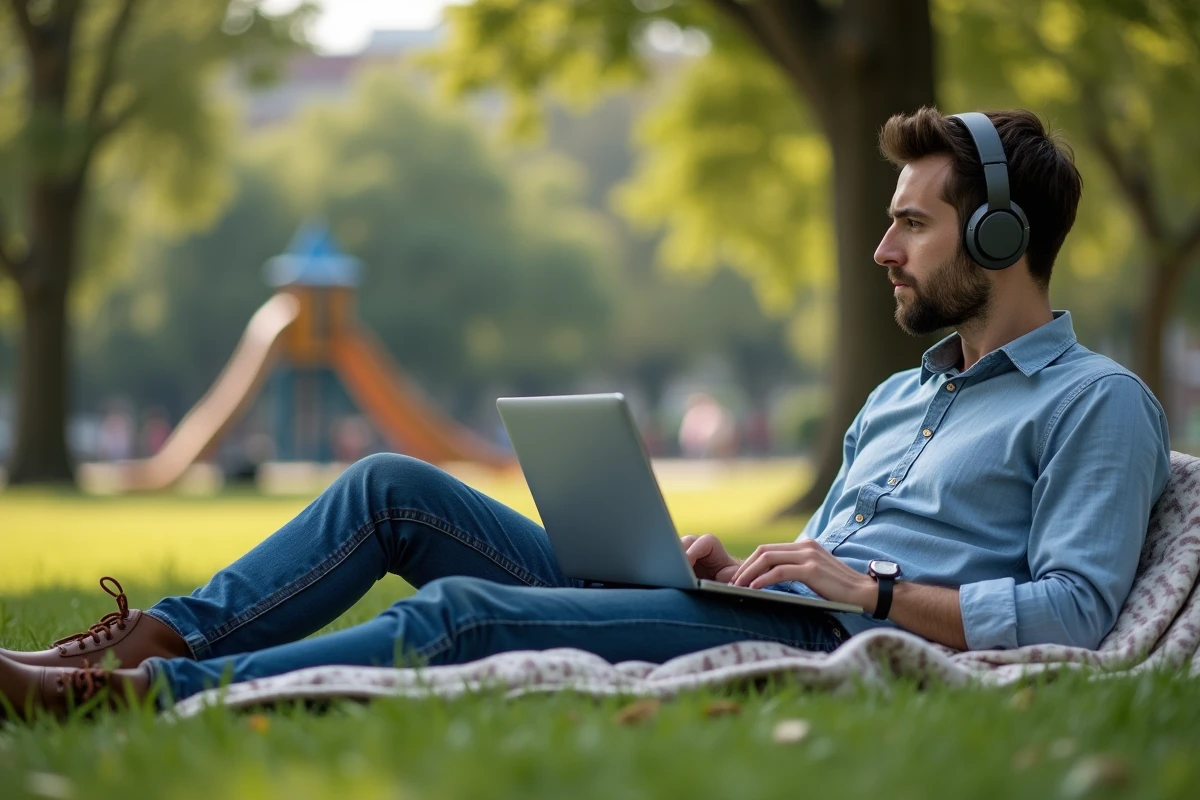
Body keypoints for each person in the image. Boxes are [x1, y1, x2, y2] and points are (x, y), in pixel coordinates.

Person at [0, 108, 1171, 720]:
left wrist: (858, 590)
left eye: (909, 223)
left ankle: (143, 700)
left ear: (999, 238)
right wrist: (739, 564)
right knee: (386, 487)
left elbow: (1071, 610)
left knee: (463, 614)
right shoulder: (900, 393)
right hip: (761, 605)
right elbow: (824, 549)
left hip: (836, 639)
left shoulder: (1094, 404)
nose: (881, 249)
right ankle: (154, 634)